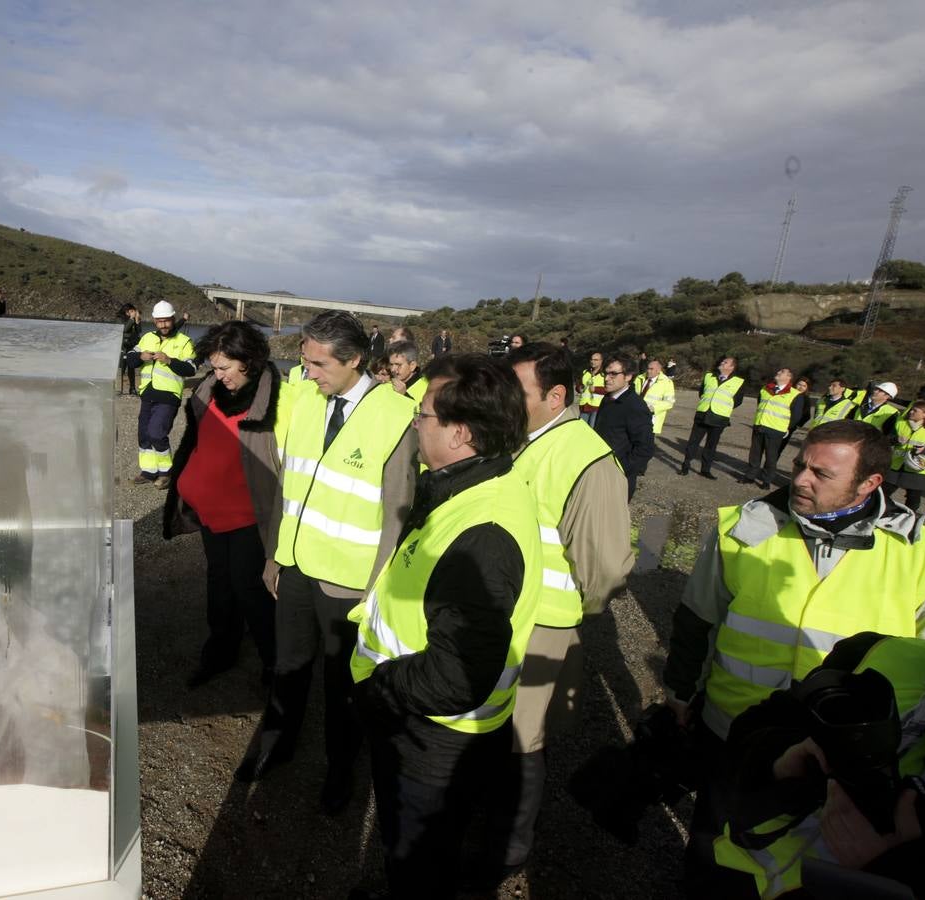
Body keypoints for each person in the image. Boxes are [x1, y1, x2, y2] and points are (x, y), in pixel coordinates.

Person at [662, 419, 925, 897]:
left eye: (821, 473)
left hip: (836, 762)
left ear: (871, 483)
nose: (801, 480)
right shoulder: (742, 529)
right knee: (713, 852)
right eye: (799, 465)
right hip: (731, 732)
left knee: (804, 868)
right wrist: (680, 692)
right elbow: (696, 618)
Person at [349, 353, 542, 898]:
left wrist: (377, 691)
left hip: (434, 734)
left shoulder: (482, 532)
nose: (414, 422)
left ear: (459, 433)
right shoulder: (470, 485)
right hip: (426, 725)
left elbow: (458, 674)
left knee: (420, 860)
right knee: (413, 851)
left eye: (423, 415)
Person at [242, 311, 417, 817]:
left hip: (349, 582)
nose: (309, 372)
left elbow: (396, 514)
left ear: (355, 360)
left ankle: (340, 767)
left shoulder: (395, 416)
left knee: (343, 686)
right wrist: (275, 554)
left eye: (318, 364)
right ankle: (276, 743)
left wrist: (375, 589)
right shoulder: (307, 402)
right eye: (304, 360)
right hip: (295, 566)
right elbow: (287, 488)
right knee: (289, 667)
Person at [710, 585, 925, 899]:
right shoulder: (889, 656)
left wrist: (899, 873)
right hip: (740, 878)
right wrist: (779, 765)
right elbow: (747, 735)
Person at [488, 343, 632, 881]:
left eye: (517, 391)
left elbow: (607, 569)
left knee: (524, 742)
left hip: (542, 626)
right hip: (502, 619)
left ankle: (510, 846)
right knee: (494, 730)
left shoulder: (587, 459)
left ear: (556, 396)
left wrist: (572, 612)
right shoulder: (516, 437)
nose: (504, 400)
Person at [163, 321, 289, 689]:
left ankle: (276, 663)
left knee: (251, 589)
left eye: (225, 368)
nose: (217, 375)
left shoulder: (280, 400)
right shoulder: (210, 388)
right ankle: (220, 651)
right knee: (219, 584)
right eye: (214, 367)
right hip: (211, 515)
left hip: (249, 516)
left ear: (248, 360)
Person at [125, 301, 197, 488]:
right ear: (155, 321)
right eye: (160, 321)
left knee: (157, 432)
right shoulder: (147, 338)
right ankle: (148, 472)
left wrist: (170, 360)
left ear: (173, 319)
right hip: (147, 394)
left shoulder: (184, 342)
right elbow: (130, 360)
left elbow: (191, 369)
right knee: (144, 434)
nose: (163, 325)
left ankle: (166, 472)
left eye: (167, 321)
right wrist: (140, 357)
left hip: (169, 397)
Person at [593, 352, 655, 499]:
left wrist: (620, 469)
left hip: (618, 481)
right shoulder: (608, 399)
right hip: (599, 474)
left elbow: (645, 449)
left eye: (613, 374)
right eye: (606, 373)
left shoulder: (635, 406)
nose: (607, 379)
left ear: (628, 376)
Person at [680, 355, 746, 480]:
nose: (722, 362)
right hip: (703, 414)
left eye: (725, 362)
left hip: (719, 417)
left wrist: (722, 407)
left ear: (732, 367)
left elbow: (738, 401)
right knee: (693, 442)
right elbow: (702, 393)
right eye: (722, 361)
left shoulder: (739, 382)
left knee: (711, 445)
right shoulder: (709, 376)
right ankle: (686, 465)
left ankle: (705, 469)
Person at [737, 368, 802, 489]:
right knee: (754, 454)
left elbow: (796, 416)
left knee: (771, 457)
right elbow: (760, 404)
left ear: (789, 378)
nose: (778, 372)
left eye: (782, 372)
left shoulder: (795, 394)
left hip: (775, 430)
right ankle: (750, 476)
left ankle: (766, 480)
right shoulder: (765, 389)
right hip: (760, 425)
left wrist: (785, 427)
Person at [634, 358, 676, 435]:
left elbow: (669, 402)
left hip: (650, 418)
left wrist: (653, 408)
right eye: (648, 368)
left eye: (651, 369)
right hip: (635, 415)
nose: (648, 371)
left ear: (658, 370)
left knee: (644, 443)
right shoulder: (639, 378)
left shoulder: (667, 382)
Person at [118, 304, 142, 395]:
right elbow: (124, 329)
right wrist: (131, 319)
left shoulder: (135, 319)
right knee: (122, 368)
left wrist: (137, 321)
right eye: (132, 311)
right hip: (123, 346)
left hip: (132, 346)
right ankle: (119, 389)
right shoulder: (120, 319)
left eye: (134, 311)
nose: (134, 313)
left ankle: (132, 388)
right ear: (126, 311)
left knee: (131, 367)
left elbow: (139, 331)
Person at [783, 376, 812, 446]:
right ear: (795, 384)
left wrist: (796, 425)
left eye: (804, 386)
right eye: (799, 385)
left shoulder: (806, 399)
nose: (801, 387)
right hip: (779, 422)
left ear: (807, 388)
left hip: (790, 427)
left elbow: (807, 415)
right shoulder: (787, 394)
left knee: (781, 445)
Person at [578, 352, 605, 425]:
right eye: (591, 359)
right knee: (581, 428)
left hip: (597, 407)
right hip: (584, 406)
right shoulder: (585, 372)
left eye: (596, 360)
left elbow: (609, 389)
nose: (592, 362)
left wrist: (596, 389)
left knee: (593, 429)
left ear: (601, 361)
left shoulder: (605, 374)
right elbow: (579, 385)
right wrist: (579, 388)